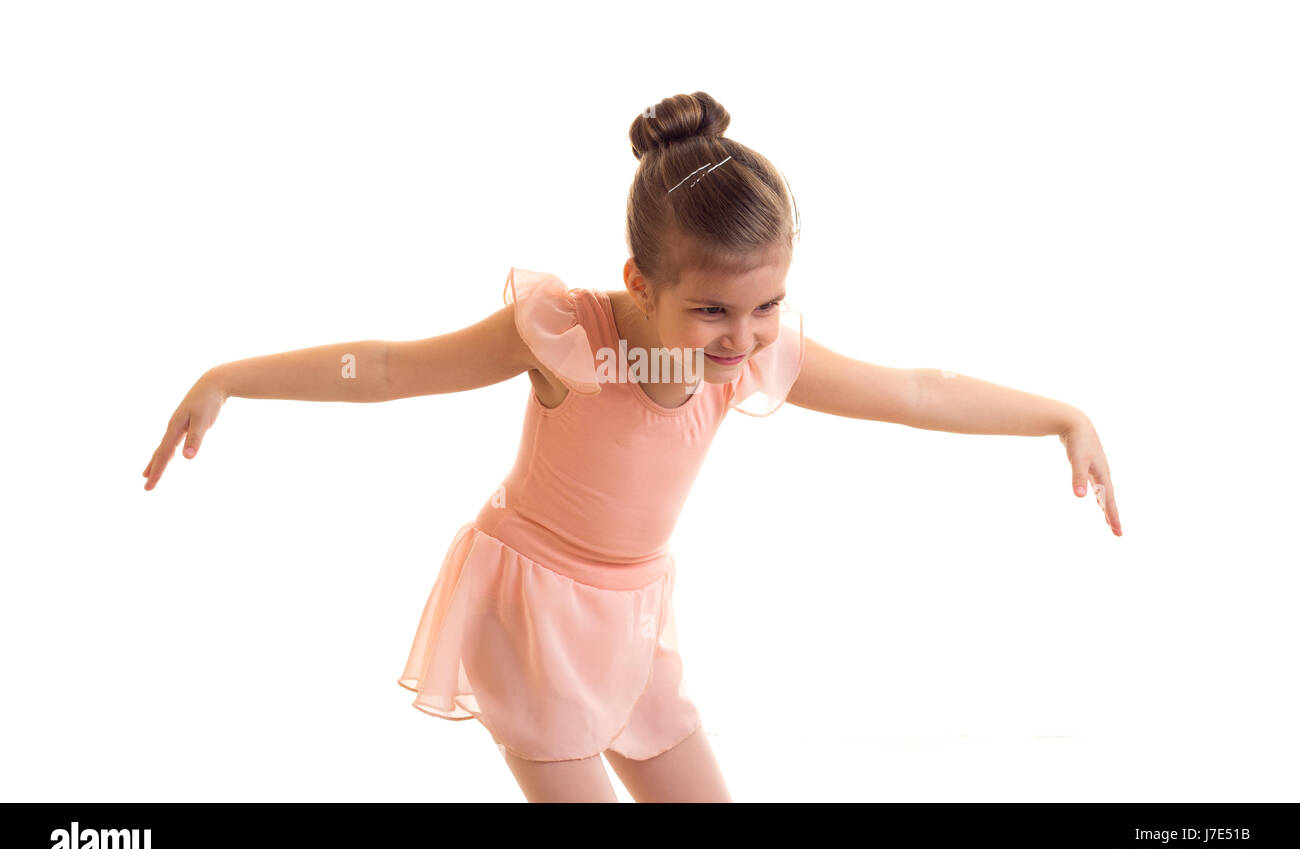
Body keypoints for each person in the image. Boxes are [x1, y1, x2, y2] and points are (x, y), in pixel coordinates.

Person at [141, 90, 1123, 802]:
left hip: (634, 622)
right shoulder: (567, 334)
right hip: (531, 612)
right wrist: (230, 375)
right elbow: (393, 366)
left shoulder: (752, 353)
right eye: (710, 308)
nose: (741, 336)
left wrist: (1059, 416)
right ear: (639, 282)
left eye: (766, 303)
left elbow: (914, 389)